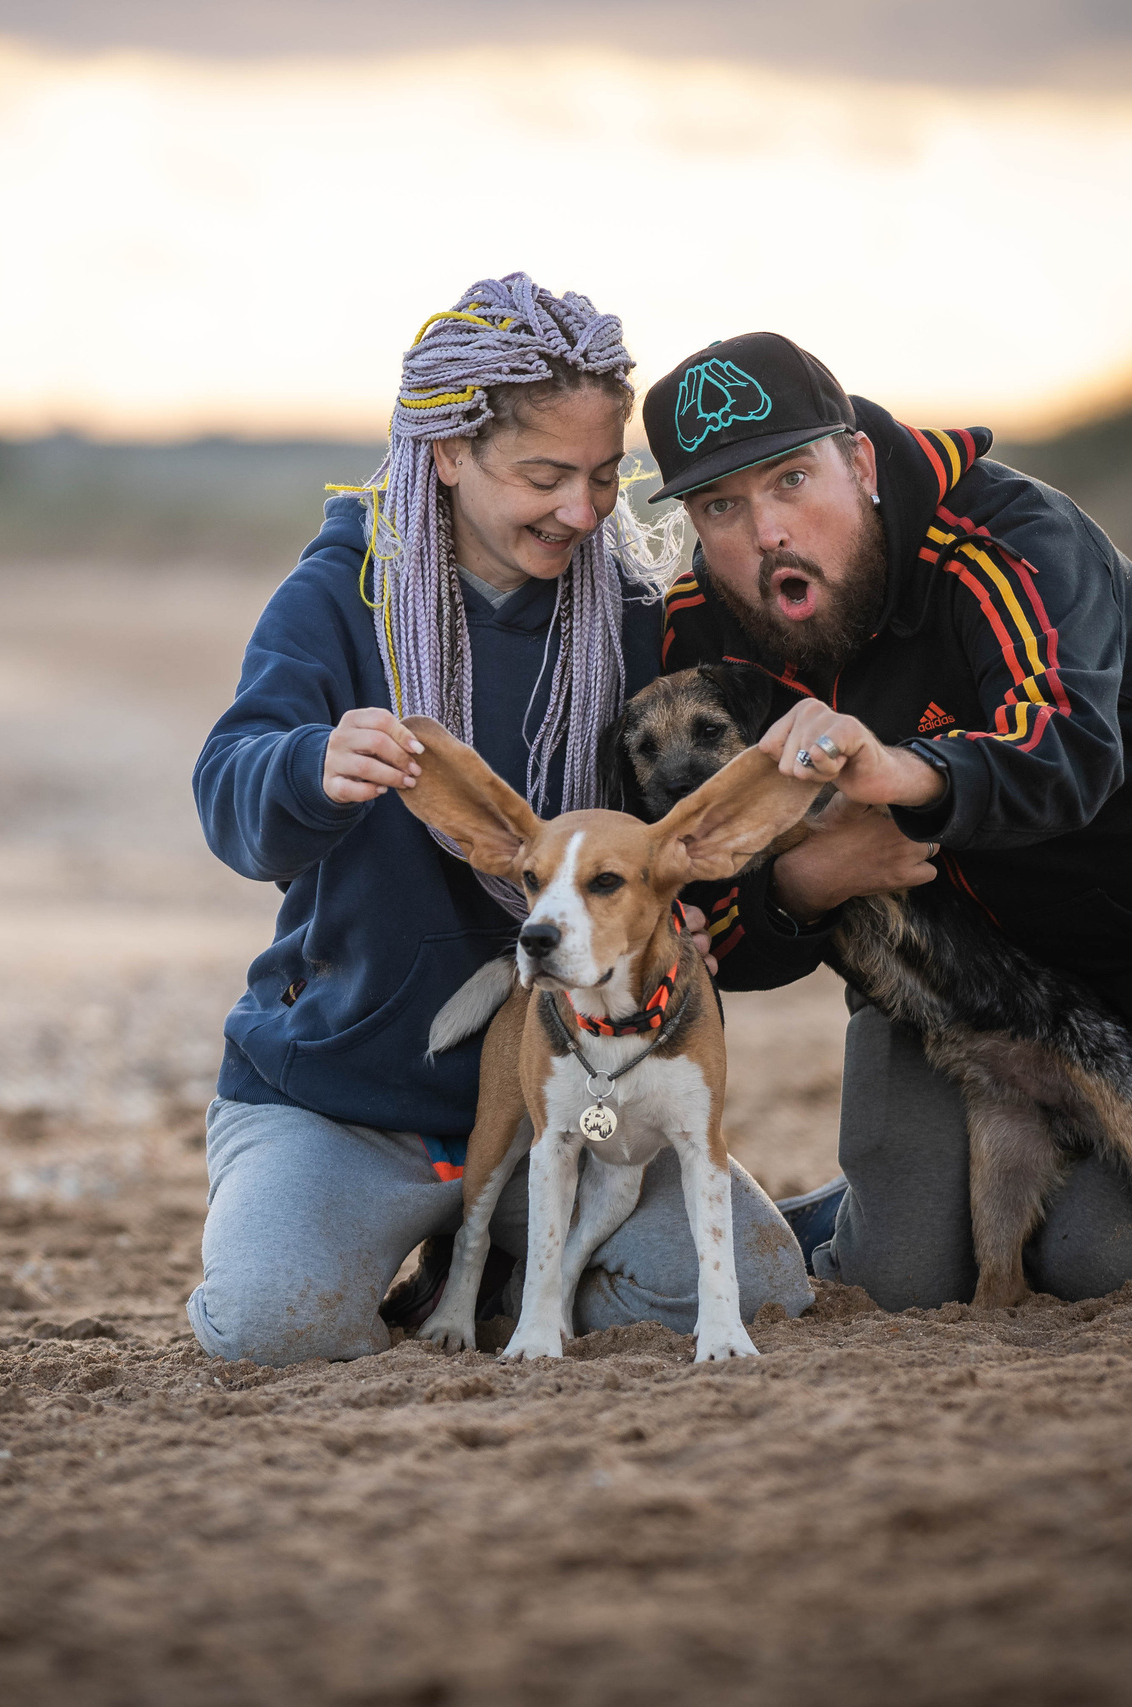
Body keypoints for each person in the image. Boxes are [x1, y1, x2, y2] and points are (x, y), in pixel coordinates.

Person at [189, 277, 814, 1366]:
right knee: (267, 1324)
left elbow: (687, 827)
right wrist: (307, 763)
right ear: (445, 455)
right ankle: (409, 1237)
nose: (582, 512)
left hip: (585, 1088)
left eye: (604, 476)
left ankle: (510, 1266)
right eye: (544, 476)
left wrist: (690, 919)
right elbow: (232, 801)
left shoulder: (626, 610)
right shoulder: (343, 597)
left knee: (754, 1288)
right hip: (353, 1101)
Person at [642, 333, 1132, 1311]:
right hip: (956, 991)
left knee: (1095, 1270)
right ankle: (851, 1215)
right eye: (722, 505)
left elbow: (1066, 754)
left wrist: (906, 775)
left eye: (792, 478)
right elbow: (702, 912)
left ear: (863, 463)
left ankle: (915, 1195)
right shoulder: (694, 632)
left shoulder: (1006, 541)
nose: (766, 533)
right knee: (898, 1281)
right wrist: (807, 880)